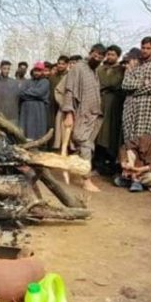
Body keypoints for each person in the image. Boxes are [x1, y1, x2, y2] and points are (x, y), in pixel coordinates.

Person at [62, 44, 106, 192]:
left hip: (93, 116)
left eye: (101, 56)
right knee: (85, 145)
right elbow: (69, 91)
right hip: (81, 115)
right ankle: (86, 180)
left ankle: (75, 168)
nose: (98, 58)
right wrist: (68, 113)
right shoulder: (79, 68)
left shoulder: (94, 71)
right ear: (90, 53)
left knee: (86, 147)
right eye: (96, 54)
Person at [121, 37, 151, 144]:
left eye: (148, 48)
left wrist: (134, 93)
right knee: (129, 140)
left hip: (148, 109)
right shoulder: (134, 65)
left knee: (145, 140)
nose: (145, 50)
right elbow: (125, 84)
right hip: (131, 108)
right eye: (143, 47)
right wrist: (143, 82)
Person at [95, 45, 125, 174]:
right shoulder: (100, 69)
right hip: (100, 103)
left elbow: (116, 84)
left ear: (118, 56)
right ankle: (97, 164)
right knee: (99, 134)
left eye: (113, 55)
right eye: (108, 54)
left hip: (115, 105)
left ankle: (111, 166)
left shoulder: (122, 70)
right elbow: (98, 83)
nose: (110, 57)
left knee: (112, 135)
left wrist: (108, 86)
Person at [19, 62, 50, 140]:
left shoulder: (45, 82)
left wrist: (28, 93)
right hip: (26, 109)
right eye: (35, 70)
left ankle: (39, 146)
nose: (37, 73)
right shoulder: (27, 81)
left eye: (39, 71)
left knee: (38, 129)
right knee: (26, 129)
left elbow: (40, 93)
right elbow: (21, 93)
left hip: (38, 108)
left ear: (42, 71)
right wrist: (35, 95)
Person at [0, 60, 21, 125]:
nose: (6, 71)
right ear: (0, 68)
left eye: (8, 69)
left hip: (12, 116)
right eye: (4, 68)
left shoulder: (14, 83)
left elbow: (18, 98)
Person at [49, 56, 70, 141]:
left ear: (67, 65)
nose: (60, 66)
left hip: (65, 105)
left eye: (63, 64)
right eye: (59, 63)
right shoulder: (52, 78)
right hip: (53, 105)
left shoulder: (70, 76)